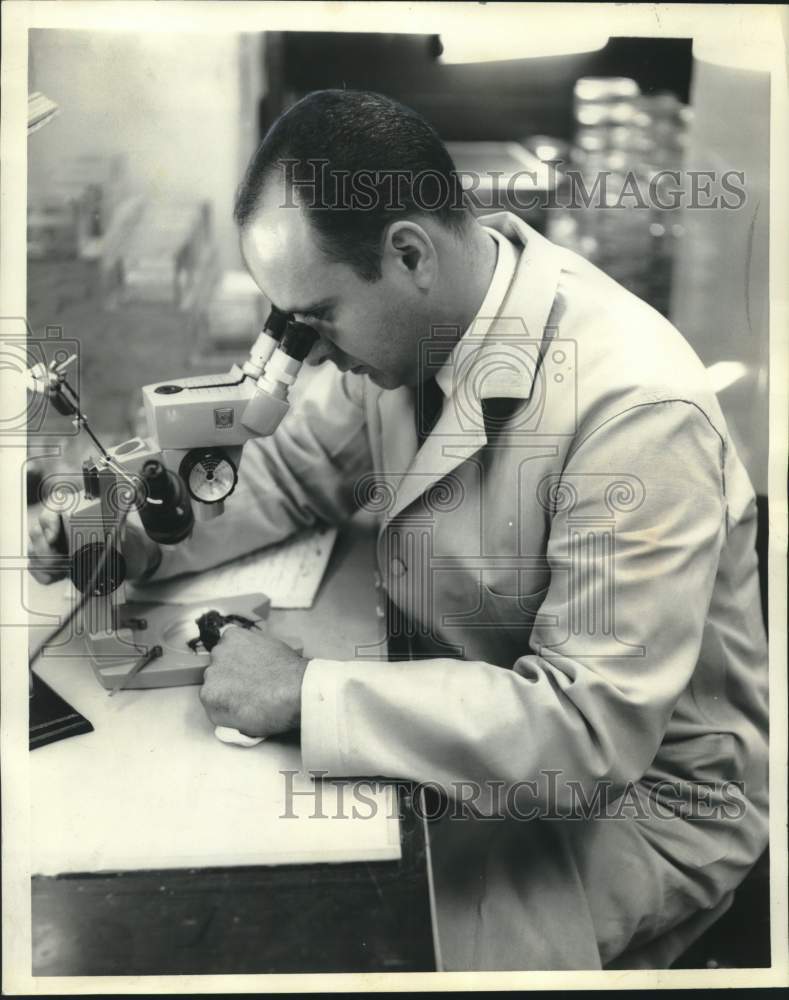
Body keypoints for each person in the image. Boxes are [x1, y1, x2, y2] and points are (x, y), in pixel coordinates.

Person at [29, 90, 768, 971]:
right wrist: (143, 535)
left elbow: (588, 729)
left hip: (632, 807)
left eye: (316, 320)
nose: (308, 354)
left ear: (408, 252)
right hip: (476, 724)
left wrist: (307, 693)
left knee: (369, 950)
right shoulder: (409, 333)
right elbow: (283, 471)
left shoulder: (633, 408)